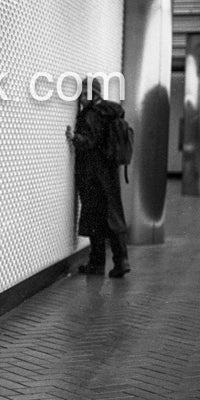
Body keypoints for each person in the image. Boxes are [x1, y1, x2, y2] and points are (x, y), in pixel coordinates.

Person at [66, 77, 130, 278]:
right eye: (81, 94)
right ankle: (121, 261)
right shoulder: (109, 111)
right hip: (109, 172)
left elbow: (90, 141)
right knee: (113, 215)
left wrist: (74, 138)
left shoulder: (92, 113)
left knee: (95, 218)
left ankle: (97, 263)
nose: (82, 98)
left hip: (93, 173)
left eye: (86, 93)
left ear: (95, 94)